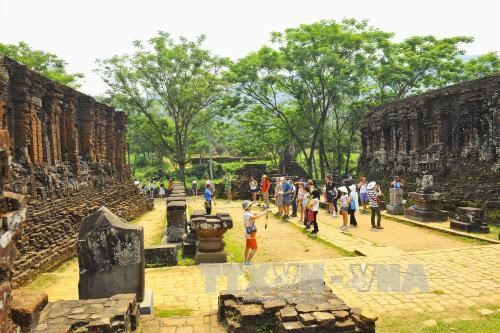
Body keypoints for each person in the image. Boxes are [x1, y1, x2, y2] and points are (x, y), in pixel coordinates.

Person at [242, 200, 268, 265]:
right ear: (247, 207)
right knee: (254, 248)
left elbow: (257, 213)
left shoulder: (249, 212)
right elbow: (255, 217)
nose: (251, 206)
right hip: (250, 233)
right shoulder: (246, 214)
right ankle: (247, 262)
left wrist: (264, 210)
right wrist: (265, 212)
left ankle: (245, 261)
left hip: (249, 232)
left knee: (248, 247)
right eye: (250, 205)